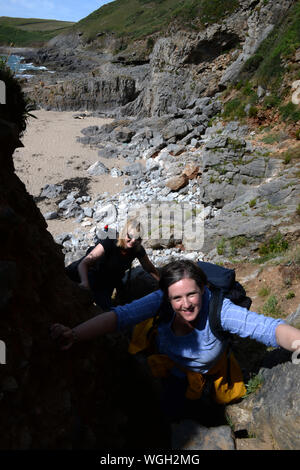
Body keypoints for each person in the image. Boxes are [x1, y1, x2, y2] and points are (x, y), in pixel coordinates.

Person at [52, 259, 300, 422]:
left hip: (209, 379)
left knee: (207, 416)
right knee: (170, 414)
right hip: (172, 372)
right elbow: (119, 317)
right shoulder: (160, 300)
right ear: (166, 296)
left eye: (192, 294)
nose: (186, 304)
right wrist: (75, 334)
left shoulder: (220, 311)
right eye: (177, 298)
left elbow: (270, 329)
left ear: (203, 289)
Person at [65, 218, 159, 310]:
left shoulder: (137, 249)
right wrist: (85, 283)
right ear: (123, 233)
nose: (133, 241)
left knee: (107, 309)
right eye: (130, 236)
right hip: (85, 272)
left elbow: (150, 269)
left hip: (107, 282)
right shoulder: (110, 241)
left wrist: (162, 284)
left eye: (138, 238)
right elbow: (84, 263)